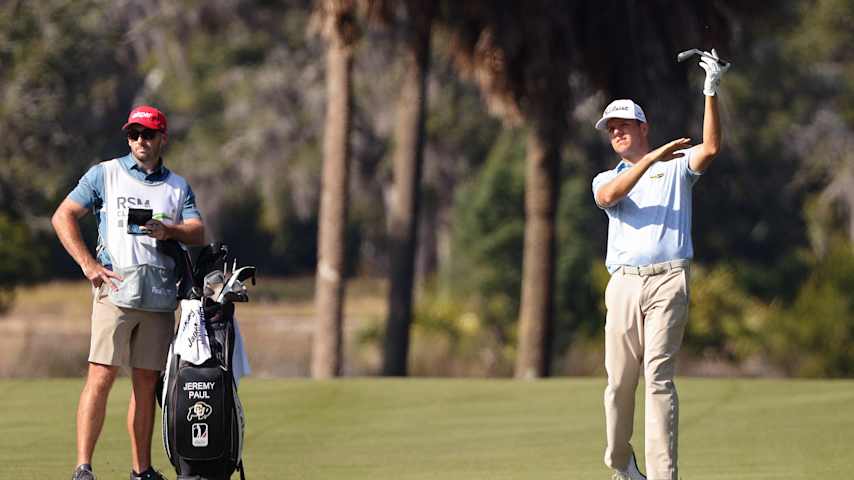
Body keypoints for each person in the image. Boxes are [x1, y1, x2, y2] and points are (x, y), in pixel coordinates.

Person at [591, 50, 729, 480]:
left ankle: (663, 476)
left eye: (623, 125)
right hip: (624, 286)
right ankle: (621, 464)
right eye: (610, 128)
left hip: (668, 281)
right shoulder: (606, 177)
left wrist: (710, 92)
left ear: (642, 128)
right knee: (618, 385)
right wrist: (650, 160)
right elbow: (610, 197)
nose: (616, 132)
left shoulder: (676, 169)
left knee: (659, 381)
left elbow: (709, 148)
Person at [52, 105, 205, 480]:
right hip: (115, 293)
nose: (140, 141)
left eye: (148, 134)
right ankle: (83, 467)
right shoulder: (104, 174)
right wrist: (88, 265)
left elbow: (198, 232)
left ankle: (142, 469)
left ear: (162, 138)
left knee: (146, 382)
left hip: (158, 297)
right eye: (133, 134)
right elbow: (63, 216)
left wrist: (169, 231)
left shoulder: (177, 186)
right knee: (100, 376)